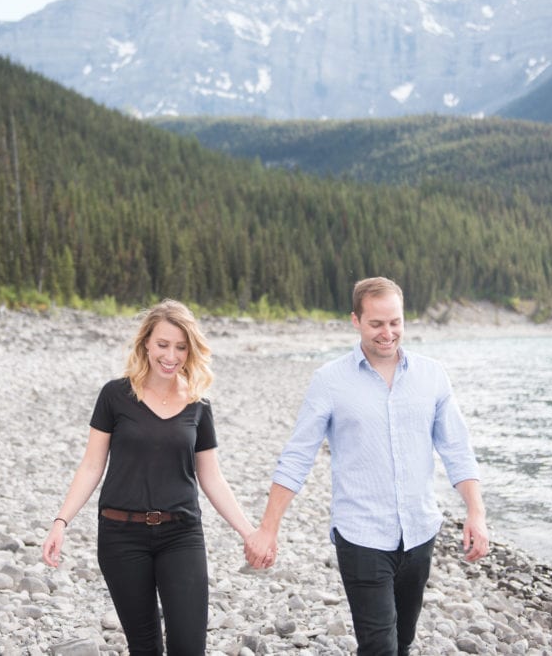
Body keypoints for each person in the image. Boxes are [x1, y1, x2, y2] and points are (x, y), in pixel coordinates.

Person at [244, 277, 489, 656]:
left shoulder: (432, 376)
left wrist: (476, 512)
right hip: (361, 537)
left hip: (420, 533)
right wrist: (267, 528)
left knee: (402, 642)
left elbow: (456, 448)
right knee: (379, 647)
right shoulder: (329, 381)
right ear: (355, 320)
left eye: (395, 322)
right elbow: (297, 456)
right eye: (377, 323)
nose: (387, 333)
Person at [43, 299, 256, 655]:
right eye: (162, 344)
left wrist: (249, 532)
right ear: (146, 343)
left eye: (180, 347)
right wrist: (61, 521)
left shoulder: (199, 405)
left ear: (190, 350)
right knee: (145, 648)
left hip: (181, 534)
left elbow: (212, 477)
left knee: (189, 647)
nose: (170, 355)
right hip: (121, 536)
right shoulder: (115, 395)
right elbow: (92, 465)